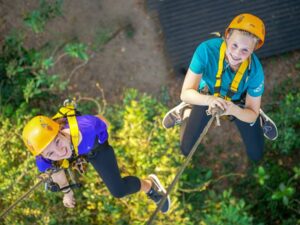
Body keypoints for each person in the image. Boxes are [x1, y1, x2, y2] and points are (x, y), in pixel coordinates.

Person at [162, 13, 278, 162]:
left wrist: (233, 110)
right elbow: (186, 93)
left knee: (256, 153)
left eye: (245, 50)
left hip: (237, 103)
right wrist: (209, 100)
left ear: (253, 49)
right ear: (227, 35)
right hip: (206, 96)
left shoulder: (255, 71)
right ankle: (187, 110)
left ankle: (255, 111)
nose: (236, 54)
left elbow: (251, 114)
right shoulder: (206, 51)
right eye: (234, 45)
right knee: (186, 149)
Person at [22, 114, 171, 213]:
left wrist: (92, 146)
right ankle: (74, 150)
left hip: (94, 148)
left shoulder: (89, 128)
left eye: (57, 141)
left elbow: (102, 121)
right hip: (79, 150)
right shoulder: (44, 159)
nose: (59, 152)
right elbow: (57, 171)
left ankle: (150, 186)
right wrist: (67, 193)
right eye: (51, 153)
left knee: (118, 191)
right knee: (61, 158)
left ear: (60, 130)